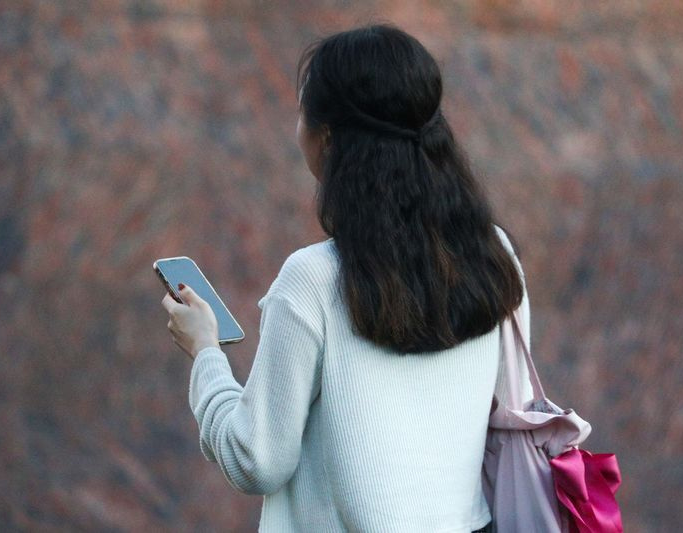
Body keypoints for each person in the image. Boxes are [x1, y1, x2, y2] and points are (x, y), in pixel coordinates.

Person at [161, 23, 532, 533]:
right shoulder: (494, 254)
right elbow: (508, 411)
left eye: (301, 112)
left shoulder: (312, 281)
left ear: (328, 138)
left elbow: (256, 459)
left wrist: (206, 353)